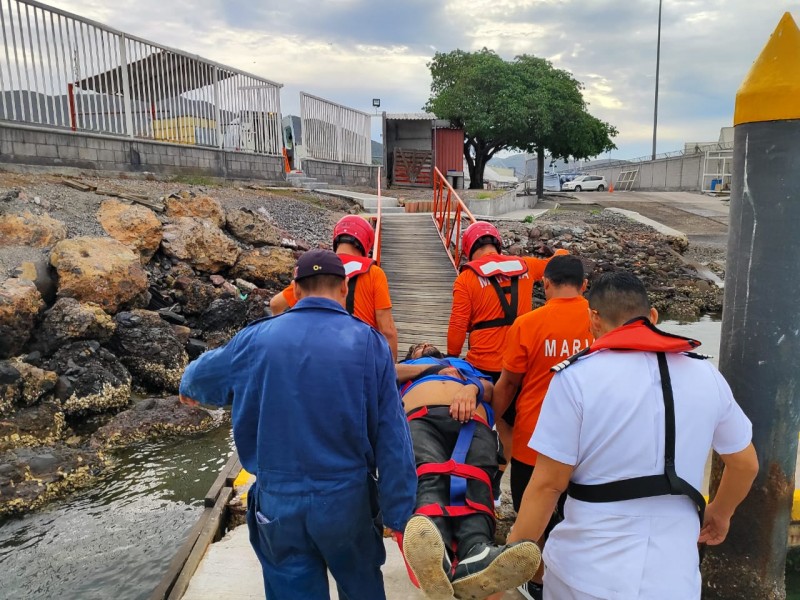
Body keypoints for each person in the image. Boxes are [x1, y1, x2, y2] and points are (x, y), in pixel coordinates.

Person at [179, 249, 417, 600]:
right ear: (345, 288)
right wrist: (400, 515)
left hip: (278, 503)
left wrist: (193, 390)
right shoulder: (370, 343)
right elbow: (393, 438)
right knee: (362, 587)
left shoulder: (255, 339)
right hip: (346, 501)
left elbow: (197, 381)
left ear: (295, 288)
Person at [508, 272, 759, 600]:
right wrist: (720, 513)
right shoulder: (706, 374)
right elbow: (745, 464)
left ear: (593, 320)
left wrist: (510, 564)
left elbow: (547, 486)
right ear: (653, 316)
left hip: (585, 576)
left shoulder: (576, 379)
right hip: (674, 580)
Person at [396, 343, 540, 600]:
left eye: (429, 346)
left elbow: (490, 389)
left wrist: (470, 386)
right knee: (430, 476)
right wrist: (434, 369)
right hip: (421, 419)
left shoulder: (463, 366)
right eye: (418, 347)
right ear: (411, 357)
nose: (425, 346)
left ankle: (475, 549)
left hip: (473, 422)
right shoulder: (409, 368)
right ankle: (433, 543)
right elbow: (386, 372)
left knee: (477, 482)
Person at [491, 255, 592, 599]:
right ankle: (575, 581)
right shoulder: (599, 320)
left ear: (545, 284)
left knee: (533, 520)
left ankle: (537, 583)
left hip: (534, 440)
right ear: (584, 286)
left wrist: (490, 418)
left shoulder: (528, 323)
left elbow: (507, 384)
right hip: (588, 443)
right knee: (577, 517)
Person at [447, 220, 567, 496]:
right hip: (519, 367)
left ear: (469, 249)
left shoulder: (466, 278)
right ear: (497, 245)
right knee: (511, 427)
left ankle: (469, 479)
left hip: (482, 368)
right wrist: (554, 253)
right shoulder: (524, 266)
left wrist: (451, 359)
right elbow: (561, 262)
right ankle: (499, 482)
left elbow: (456, 327)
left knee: (475, 423)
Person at [270, 214, 399, 360]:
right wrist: (392, 369)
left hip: (319, 356)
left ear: (336, 239)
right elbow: (387, 330)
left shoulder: (318, 269)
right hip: (362, 357)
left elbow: (275, 304)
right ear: (365, 242)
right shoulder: (374, 274)